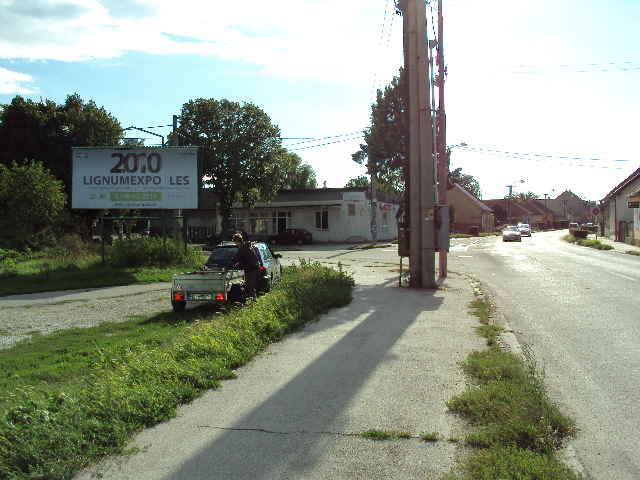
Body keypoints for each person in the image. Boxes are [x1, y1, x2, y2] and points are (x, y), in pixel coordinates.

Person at [225, 233, 260, 299]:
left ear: (236, 241)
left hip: (252, 269)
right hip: (255, 268)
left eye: (235, 243)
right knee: (251, 287)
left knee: (249, 287)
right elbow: (247, 258)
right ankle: (252, 300)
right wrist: (240, 264)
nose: (236, 245)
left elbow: (235, 258)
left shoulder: (242, 248)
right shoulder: (246, 247)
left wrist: (227, 267)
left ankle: (252, 302)